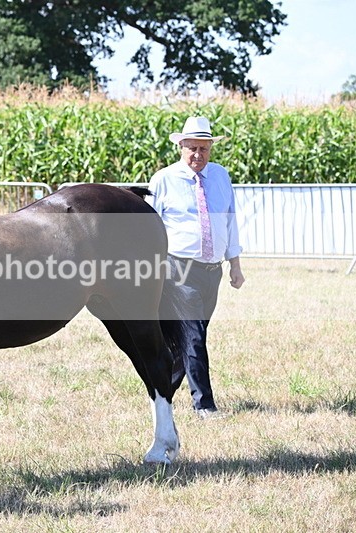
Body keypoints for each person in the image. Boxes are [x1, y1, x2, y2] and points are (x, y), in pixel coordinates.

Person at [149, 116, 245, 420]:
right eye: (192, 148)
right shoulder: (164, 179)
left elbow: (230, 221)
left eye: (204, 149)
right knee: (194, 336)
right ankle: (204, 406)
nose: (198, 155)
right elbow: (151, 228)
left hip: (212, 270)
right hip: (179, 270)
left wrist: (235, 264)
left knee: (188, 338)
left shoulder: (221, 176)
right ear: (181, 146)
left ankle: (161, 392)